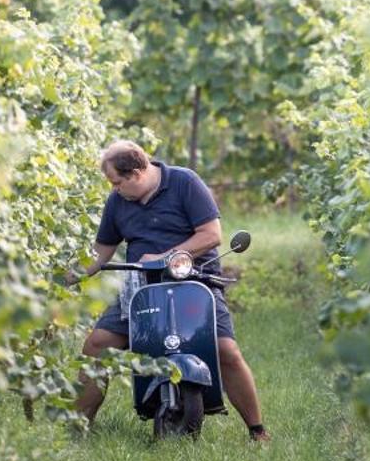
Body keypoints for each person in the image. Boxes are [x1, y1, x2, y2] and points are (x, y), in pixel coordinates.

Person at [66, 140, 271, 443]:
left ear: (136, 172)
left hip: (194, 281)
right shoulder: (118, 202)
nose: (114, 189)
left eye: (117, 182)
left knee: (225, 349)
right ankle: (76, 428)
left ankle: (258, 431)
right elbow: (100, 253)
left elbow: (211, 235)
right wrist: (66, 274)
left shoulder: (184, 182)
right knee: (98, 344)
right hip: (142, 286)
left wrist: (167, 257)